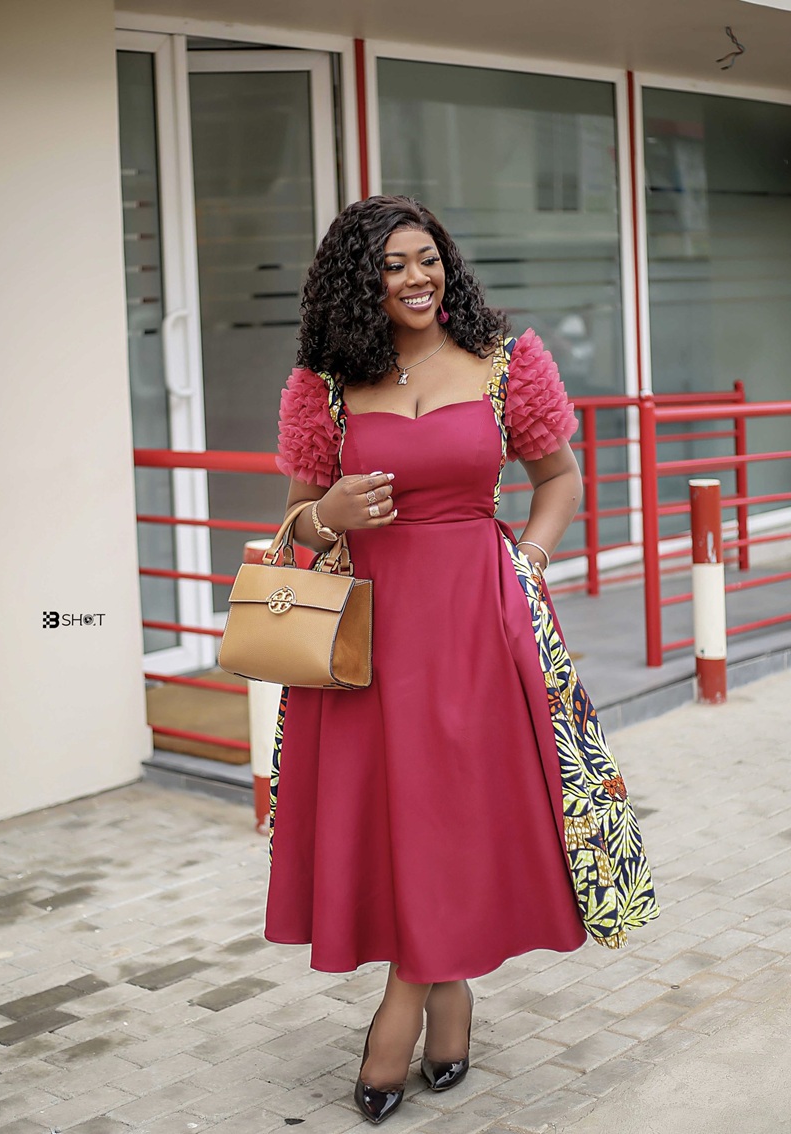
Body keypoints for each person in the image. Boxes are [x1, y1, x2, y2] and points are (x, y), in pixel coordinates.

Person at [263, 195, 659, 1124]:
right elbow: (294, 524)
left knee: (452, 816)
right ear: (359, 284)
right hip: (369, 637)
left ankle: (397, 1016)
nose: (417, 278)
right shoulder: (323, 387)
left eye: (428, 258)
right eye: (393, 265)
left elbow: (559, 479)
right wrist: (330, 517)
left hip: (481, 623)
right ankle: (449, 1001)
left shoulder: (506, 364)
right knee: (400, 820)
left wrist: (530, 560)